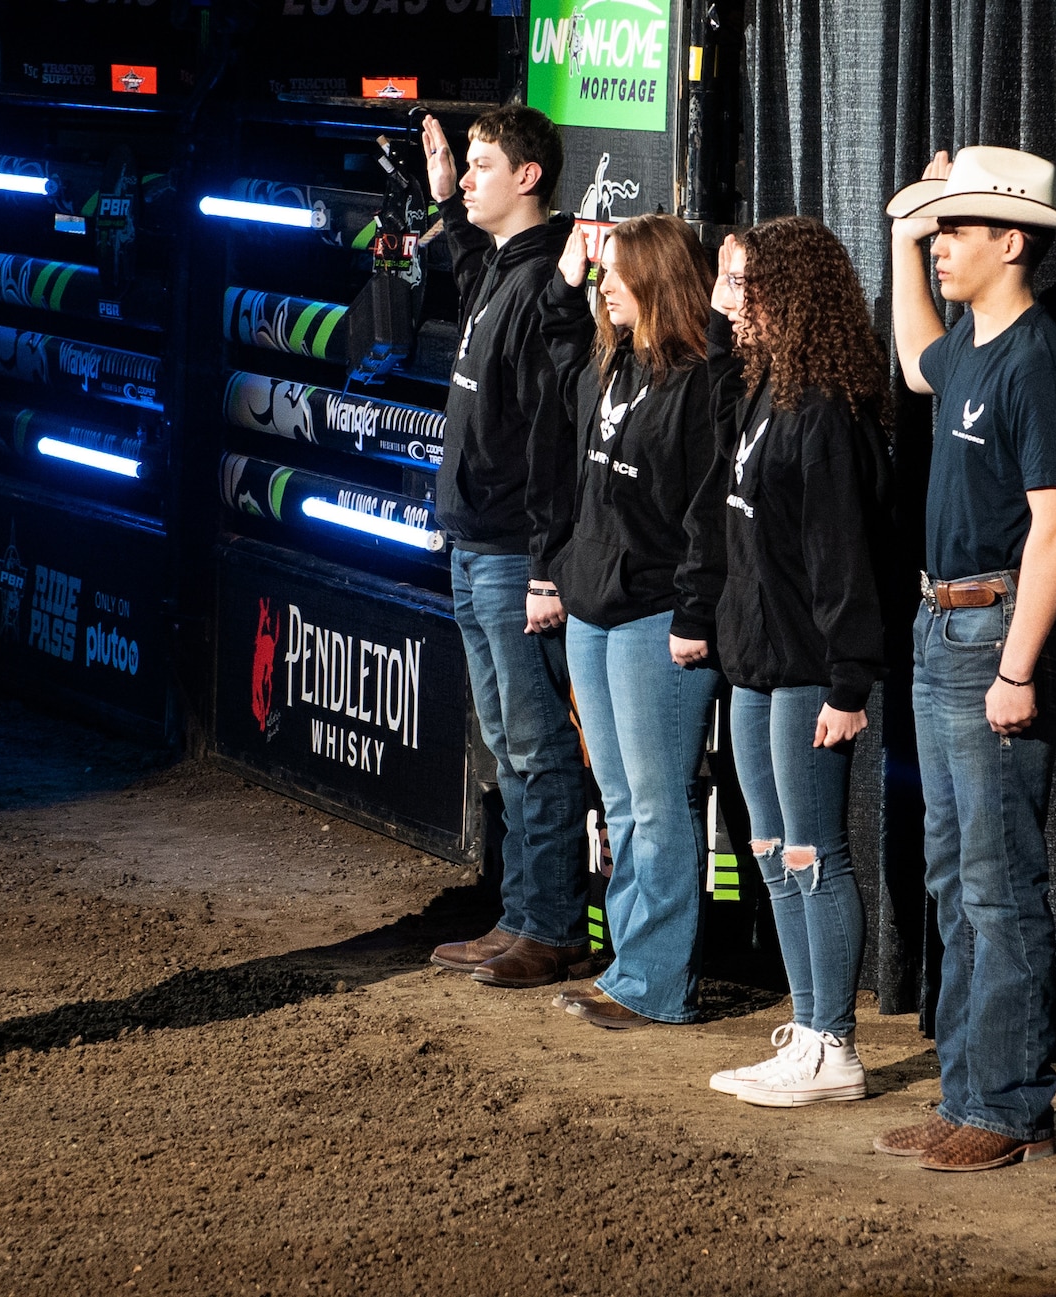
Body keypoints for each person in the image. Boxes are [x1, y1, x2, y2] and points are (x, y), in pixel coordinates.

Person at [876, 147, 1056, 1170]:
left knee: (996, 882)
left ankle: (1009, 1108)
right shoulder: (972, 343)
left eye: (953, 231)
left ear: (1011, 243)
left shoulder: (1040, 366)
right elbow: (914, 355)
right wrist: (899, 227)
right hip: (942, 628)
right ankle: (968, 1092)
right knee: (949, 873)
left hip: (992, 637)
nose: (939, 247)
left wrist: (1015, 670)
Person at [689, 217, 891, 1106]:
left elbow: (843, 556)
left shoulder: (824, 413)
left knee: (815, 855)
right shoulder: (763, 392)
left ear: (792, 298)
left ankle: (835, 1045)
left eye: (747, 289)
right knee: (772, 853)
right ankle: (806, 1029)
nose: (730, 306)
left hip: (810, 669)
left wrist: (850, 682)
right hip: (754, 665)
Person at [536, 214, 730, 1029]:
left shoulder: (701, 382)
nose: (603, 285)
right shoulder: (606, 365)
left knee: (657, 803)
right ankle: (629, 967)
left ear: (657, 280)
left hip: (659, 619)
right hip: (595, 609)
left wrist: (693, 610)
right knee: (618, 802)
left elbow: (707, 514)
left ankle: (658, 981)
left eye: (617, 272)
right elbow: (549, 349)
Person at [419, 108, 592, 990]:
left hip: (509, 555)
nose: (473, 175)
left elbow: (553, 440)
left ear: (529, 177)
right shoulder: (502, 267)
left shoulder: (538, 285)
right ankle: (523, 914)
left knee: (536, 744)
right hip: (472, 544)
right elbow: (462, 257)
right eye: (471, 165)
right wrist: (447, 195)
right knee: (506, 741)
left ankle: (553, 925)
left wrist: (542, 567)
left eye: (486, 165)